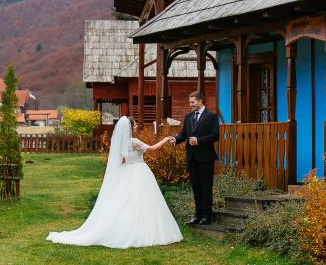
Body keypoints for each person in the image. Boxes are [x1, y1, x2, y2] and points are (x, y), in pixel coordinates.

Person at [46, 117, 182, 248]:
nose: (136, 127)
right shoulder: (133, 141)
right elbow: (151, 149)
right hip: (138, 171)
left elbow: (122, 159)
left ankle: (132, 227)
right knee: (140, 200)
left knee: (128, 201)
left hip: (127, 172)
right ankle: (140, 230)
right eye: (134, 125)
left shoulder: (122, 142)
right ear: (129, 128)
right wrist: (164, 140)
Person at [167, 91, 219, 225]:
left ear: (200, 101)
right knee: (196, 187)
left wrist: (199, 140)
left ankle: (207, 216)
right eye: (190, 102)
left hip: (206, 158)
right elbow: (184, 134)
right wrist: (175, 139)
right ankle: (198, 215)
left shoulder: (211, 116)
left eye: (192, 102)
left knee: (206, 187)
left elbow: (215, 136)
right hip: (191, 157)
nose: (190, 104)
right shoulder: (188, 117)